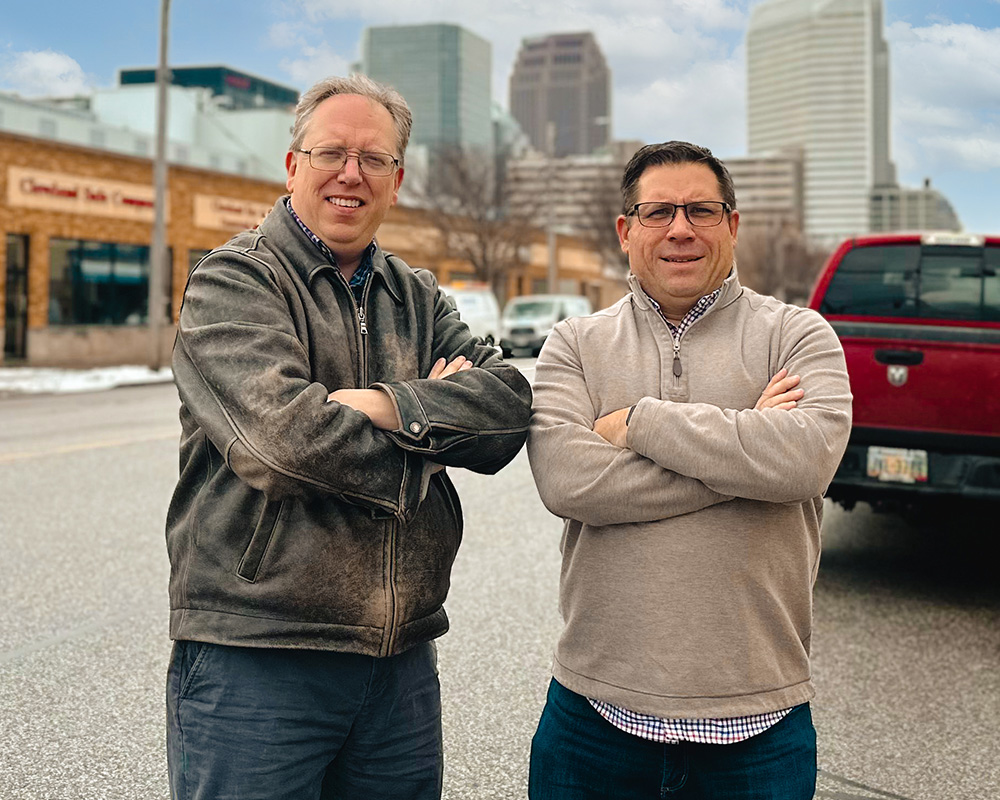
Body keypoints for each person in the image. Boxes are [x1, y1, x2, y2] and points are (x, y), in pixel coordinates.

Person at [164, 74, 532, 800]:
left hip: (399, 665)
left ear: (397, 180)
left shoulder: (415, 294)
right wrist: (431, 438)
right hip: (259, 658)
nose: (351, 174)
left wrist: (389, 404)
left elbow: (508, 409)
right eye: (331, 153)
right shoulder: (233, 282)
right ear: (293, 165)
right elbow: (284, 444)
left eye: (373, 159)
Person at [526, 141, 852, 799]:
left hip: (760, 725)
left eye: (701, 210)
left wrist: (638, 423)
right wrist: (746, 452)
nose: (681, 229)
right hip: (593, 718)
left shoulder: (799, 335)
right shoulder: (574, 344)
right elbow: (568, 481)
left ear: (732, 224)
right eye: (659, 212)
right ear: (626, 231)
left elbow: (805, 462)